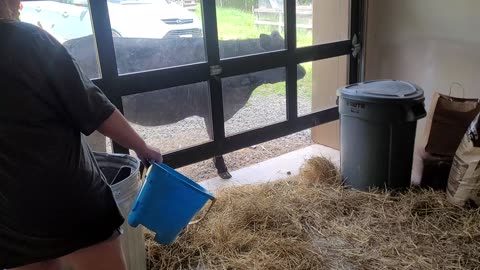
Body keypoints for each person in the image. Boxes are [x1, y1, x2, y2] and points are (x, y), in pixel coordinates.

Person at [0, 0, 163, 269]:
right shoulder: (31, 41)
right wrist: (142, 147)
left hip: (11, 214)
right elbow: (95, 108)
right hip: (69, 201)